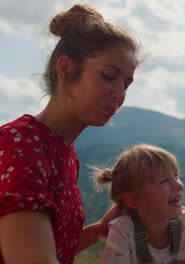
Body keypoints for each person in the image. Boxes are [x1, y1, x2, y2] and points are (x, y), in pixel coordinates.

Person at [0, 4, 139, 264]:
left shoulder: (63, 152)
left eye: (126, 84)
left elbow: (53, 248)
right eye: (109, 75)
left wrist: (99, 231)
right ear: (65, 69)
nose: (119, 94)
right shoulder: (20, 144)